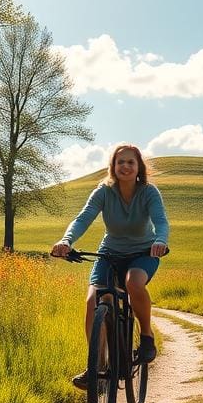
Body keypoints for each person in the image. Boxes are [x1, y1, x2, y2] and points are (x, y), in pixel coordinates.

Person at [51, 144, 169, 389]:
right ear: (113, 167)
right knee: (94, 301)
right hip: (109, 253)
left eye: (130, 162)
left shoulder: (148, 192)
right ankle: (96, 367)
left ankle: (146, 336)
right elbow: (83, 218)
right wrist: (66, 240)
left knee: (132, 282)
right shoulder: (103, 192)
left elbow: (161, 221)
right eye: (120, 162)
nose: (125, 166)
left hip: (143, 252)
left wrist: (160, 240)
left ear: (139, 168)